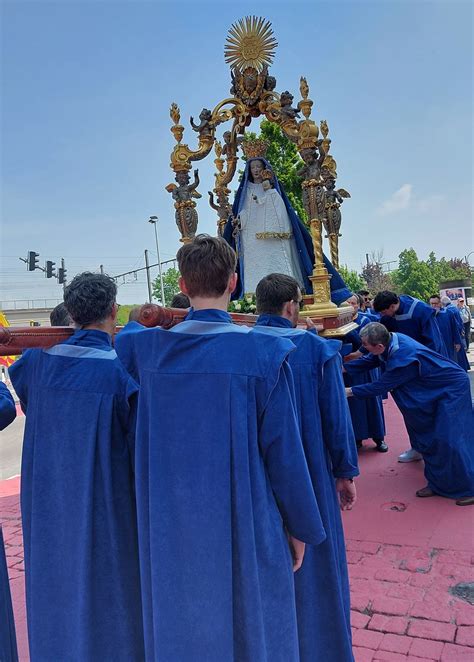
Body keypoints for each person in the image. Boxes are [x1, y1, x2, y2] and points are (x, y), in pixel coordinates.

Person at [116, 235, 326, 661]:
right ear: (235, 282)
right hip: (242, 510)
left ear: (182, 283)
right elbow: (283, 451)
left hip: (169, 517)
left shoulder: (144, 350)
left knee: (181, 615)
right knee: (253, 620)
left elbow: (132, 327)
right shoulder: (263, 352)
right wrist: (300, 526)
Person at [9, 273, 144, 661]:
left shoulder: (36, 363)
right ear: (113, 311)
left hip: (49, 496)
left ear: (71, 312)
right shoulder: (118, 373)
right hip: (103, 500)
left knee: (54, 582)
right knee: (110, 589)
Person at [254, 273, 358, 662]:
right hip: (311, 473)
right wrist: (346, 474)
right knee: (316, 567)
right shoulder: (317, 351)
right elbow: (337, 420)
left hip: (260, 477)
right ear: (292, 306)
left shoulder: (241, 349)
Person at [345, 323, 474, 506]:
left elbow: (379, 387)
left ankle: (470, 487)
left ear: (379, 345)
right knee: (428, 438)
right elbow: (372, 359)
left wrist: (347, 391)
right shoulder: (390, 340)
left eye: (365, 345)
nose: (362, 348)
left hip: (451, 389)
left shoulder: (403, 357)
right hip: (433, 389)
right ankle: (438, 484)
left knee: (450, 439)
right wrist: (344, 368)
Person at [223, 156, 352, 304]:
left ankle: (287, 295)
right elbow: (244, 212)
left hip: (276, 241)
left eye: (259, 166)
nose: (256, 170)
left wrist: (269, 197)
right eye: (253, 167)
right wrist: (239, 221)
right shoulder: (245, 191)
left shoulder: (273, 191)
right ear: (249, 170)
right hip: (252, 241)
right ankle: (253, 299)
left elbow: (280, 212)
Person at [343, 295, 387, 452]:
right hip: (347, 369)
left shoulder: (365, 321)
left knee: (371, 402)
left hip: (365, 367)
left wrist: (347, 326)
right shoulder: (336, 322)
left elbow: (360, 345)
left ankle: (379, 438)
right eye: (347, 303)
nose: (350, 305)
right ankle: (357, 437)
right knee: (353, 405)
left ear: (359, 305)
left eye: (353, 303)